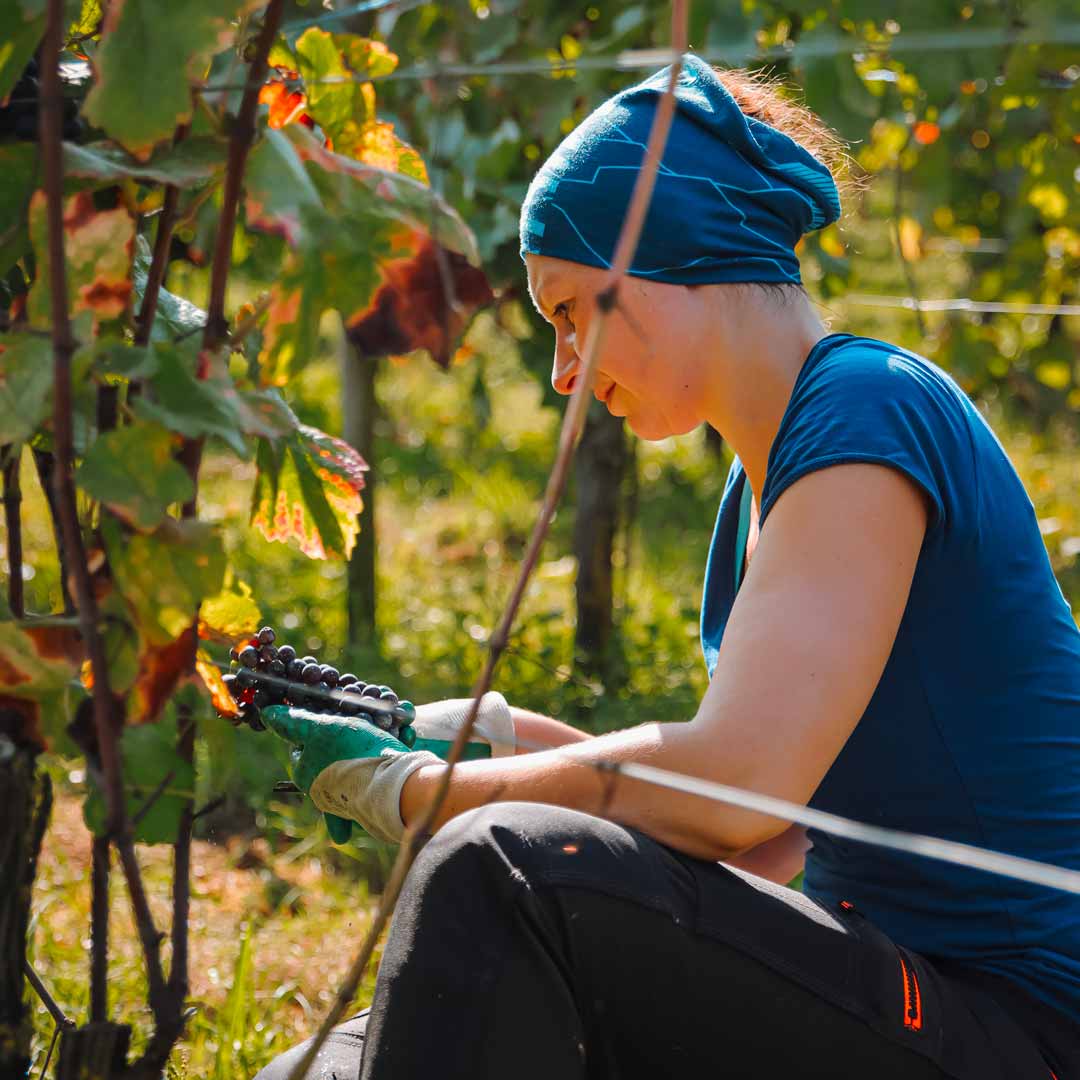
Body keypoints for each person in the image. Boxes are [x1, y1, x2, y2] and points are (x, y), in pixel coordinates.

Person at [255, 56, 1080, 1080]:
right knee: (332, 1064)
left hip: (1022, 1034)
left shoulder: (869, 409)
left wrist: (427, 792)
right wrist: (491, 739)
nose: (561, 372)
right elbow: (764, 839)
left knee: (507, 871)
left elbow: (737, 788)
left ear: (663, 251)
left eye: (568, 312)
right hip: (909, 998)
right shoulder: (769, 485)